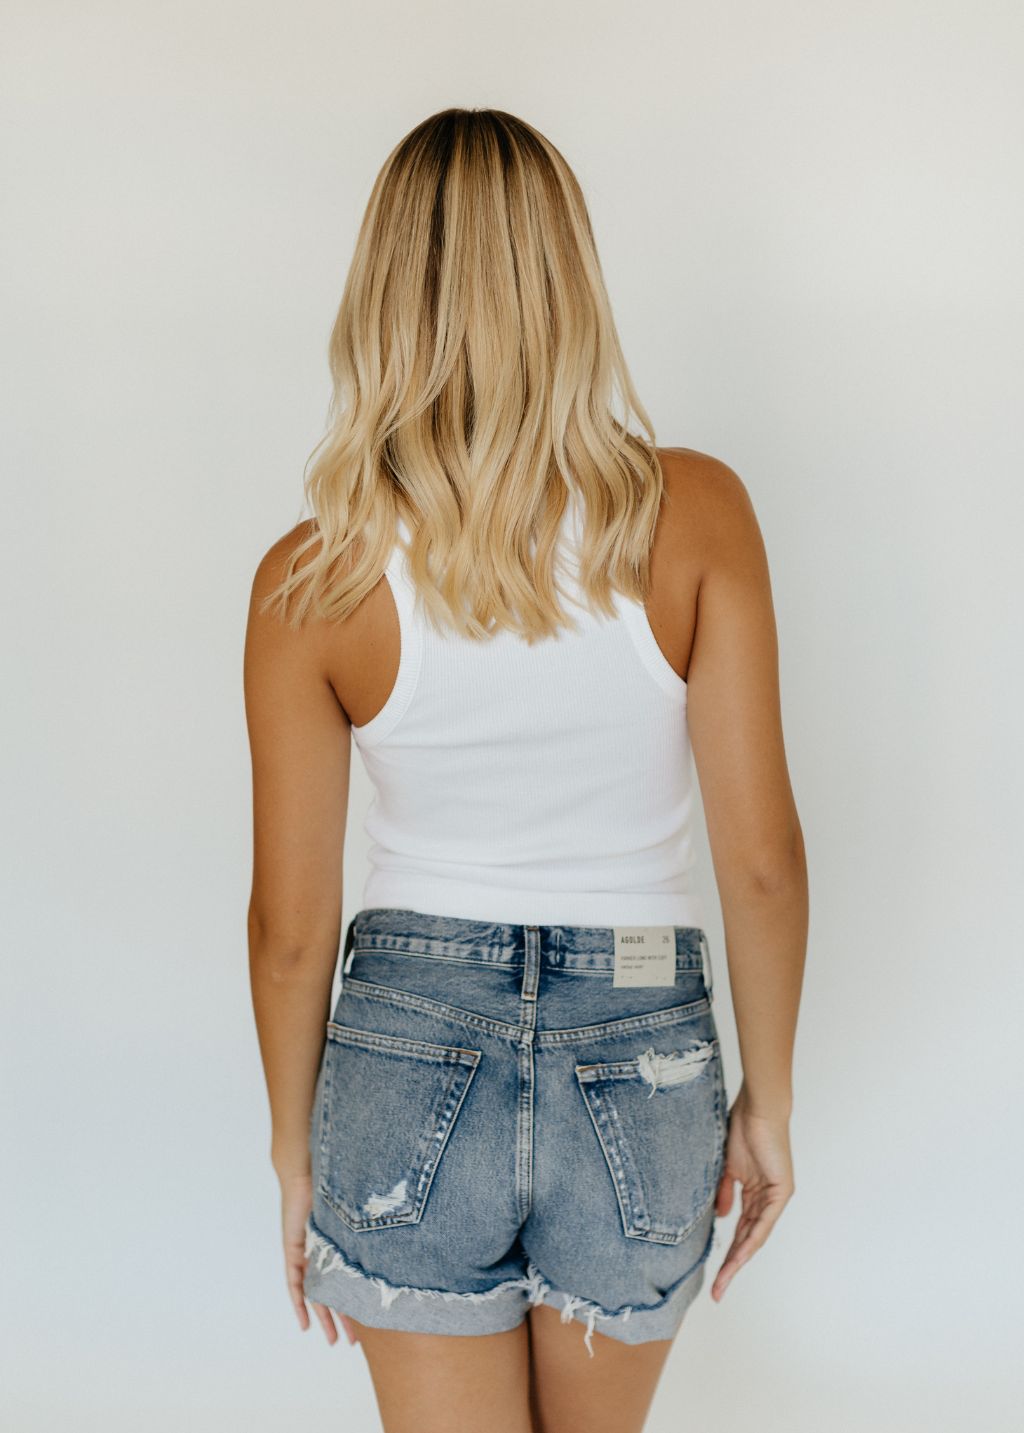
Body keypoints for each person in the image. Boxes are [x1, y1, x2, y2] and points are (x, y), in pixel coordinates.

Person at [243, 107, 807, 1433]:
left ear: (383, 299)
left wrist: (292, 1148)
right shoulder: (697, 515)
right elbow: (763, 861)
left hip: (402, 1043)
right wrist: (769, 1100)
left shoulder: (310, 580)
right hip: (644, 1041)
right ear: (568, 279)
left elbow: (289, 929)